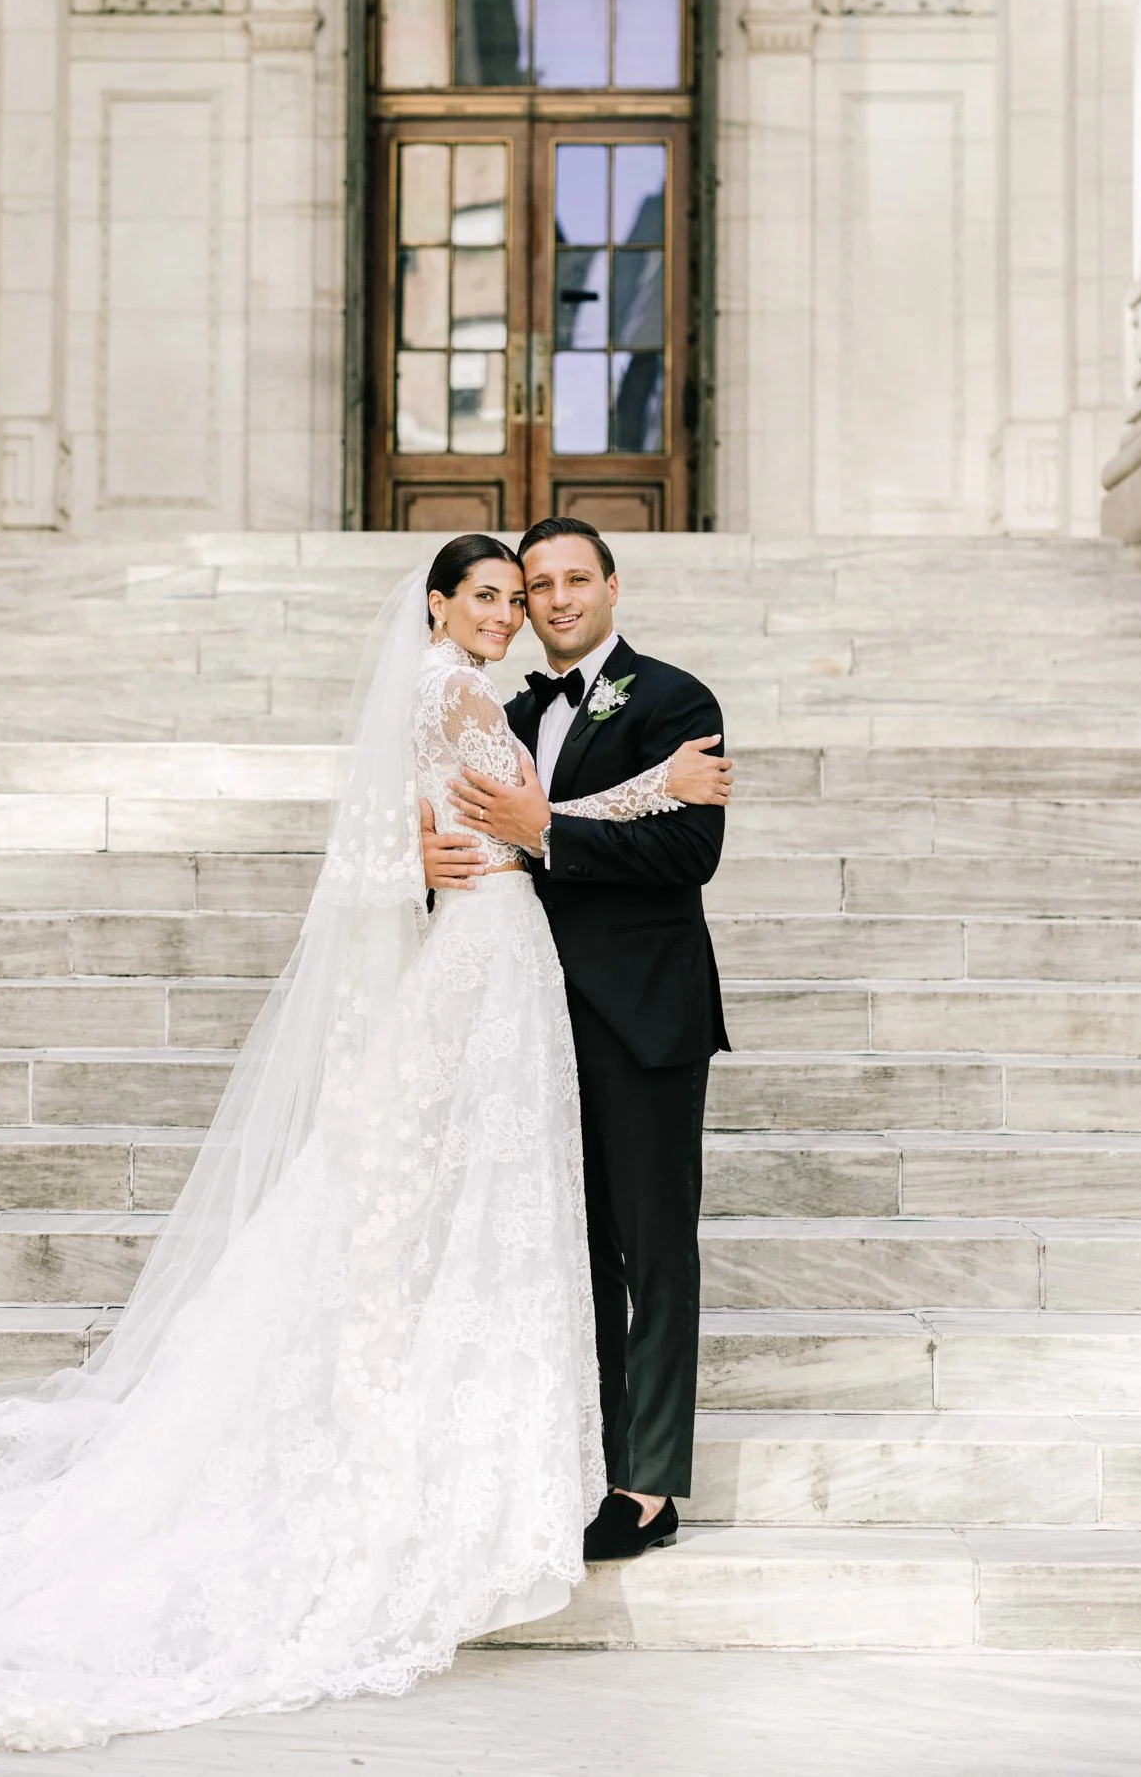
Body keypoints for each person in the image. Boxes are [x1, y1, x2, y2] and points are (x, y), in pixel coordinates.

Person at [0, 537, 729, 1751]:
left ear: (604, 590)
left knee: (574, 1229)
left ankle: (621, 1476)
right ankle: (485, 1446)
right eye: (499, 592)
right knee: (481, 1211)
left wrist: (579, 814)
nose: (524, 607)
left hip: (580, 996)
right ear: (442, 605)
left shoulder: (654, 698)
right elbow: (512, 821)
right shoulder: (456, 687)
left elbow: (525, 828)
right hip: (494, 971)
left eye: (542, 587)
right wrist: (642, 790)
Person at [421, 518, 731, 1562]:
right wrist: (427, 848)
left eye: (567, 581)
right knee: (570, 1249)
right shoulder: (502, 709)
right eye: (529, 586)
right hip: (533, 1015)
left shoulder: (674, 700)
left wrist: (540, 827)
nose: (546, 601)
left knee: (653, 1247)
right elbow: (470, 820)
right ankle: (584, 1456)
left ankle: (646, 1483)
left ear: (610, 585)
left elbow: (689, 848)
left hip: (641, 1014)